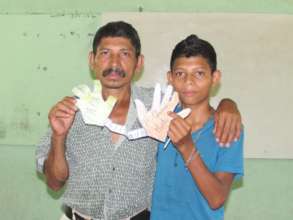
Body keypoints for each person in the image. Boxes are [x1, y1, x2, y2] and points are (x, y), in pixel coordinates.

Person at [36, 21, 241, 220]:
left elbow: (195, 101)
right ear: (92, 60)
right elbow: (54, 183)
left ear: (139, 63)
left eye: (124, 54)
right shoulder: (71, 111)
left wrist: (228, 105)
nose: (114, 63)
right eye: (105, 53)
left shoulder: (159, 107)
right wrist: (58, 136)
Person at [150, 34, 244, 220]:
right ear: (170, 78)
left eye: (199, 73)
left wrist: (187, 147)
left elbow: (217, 199)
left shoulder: (227, 128)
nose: (189, 81)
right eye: (180, 74)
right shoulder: (159, 117)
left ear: (215, 77)